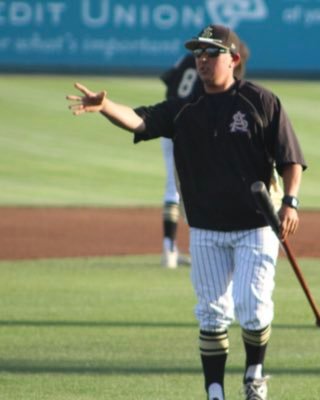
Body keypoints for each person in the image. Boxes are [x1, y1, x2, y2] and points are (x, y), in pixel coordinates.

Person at [67, 24, 306, 400]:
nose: (203, 60)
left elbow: (291, 158)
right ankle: (214, 392)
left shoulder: (262, 102)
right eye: (199, 53)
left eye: (212, 53)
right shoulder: (185, 109)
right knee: (211, 314)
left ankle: (254, 375)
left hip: (257, 224)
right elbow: (140, 119)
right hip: (207, 228)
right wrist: (104, 107)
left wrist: (291, 202)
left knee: (252, 306)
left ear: (234, 59)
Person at [159, 41, 250, 268]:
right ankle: (204, 245)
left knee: (172, 186)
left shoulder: (187, 60)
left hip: (167, 121)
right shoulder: (214, 67)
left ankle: (169, 250)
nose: (203, 57)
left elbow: (168, 78)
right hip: (190, 127)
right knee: (199, 185)